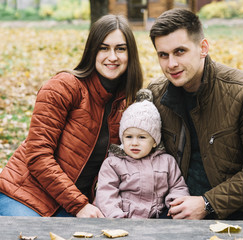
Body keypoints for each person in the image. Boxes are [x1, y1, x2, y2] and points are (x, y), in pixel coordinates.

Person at [147, 8, 243, 221]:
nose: (171, 64)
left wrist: (208, 203)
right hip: (179, 206)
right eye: (163, 55)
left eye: (180, 51)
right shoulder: (155, 95)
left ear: (203, 48)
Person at [0, 14, 143, 217]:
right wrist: (79, 205)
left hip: (72, 205)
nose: (113, 57)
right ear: (92, 51)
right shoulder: (64, 86)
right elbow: (37, 156)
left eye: (120, 49)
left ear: (130, 54)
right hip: (25, 194)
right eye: (104, 48)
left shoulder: (128, 105)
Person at [94, 89, 190, 218]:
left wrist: (176, 204)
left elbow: (177, 186)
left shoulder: (166, 161)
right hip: (124, 218)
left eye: (142, 137)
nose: (134, 143)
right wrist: (115, 217)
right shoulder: (113, 163)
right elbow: (106, 194)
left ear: (154, 141)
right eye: (128, 137)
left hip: (158, 217)